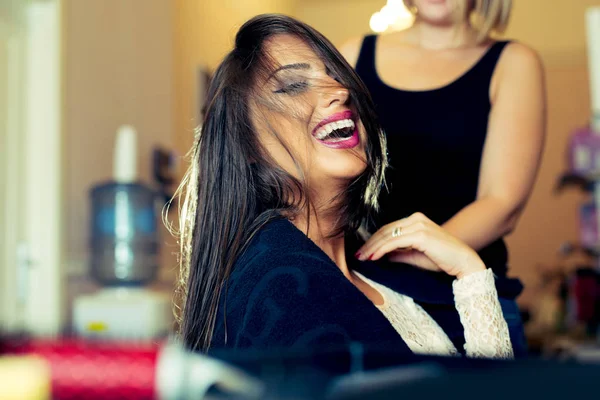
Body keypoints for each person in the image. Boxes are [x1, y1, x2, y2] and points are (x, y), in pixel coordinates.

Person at [174, 14, 513, 359]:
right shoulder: (281, 287)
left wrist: (470, 272)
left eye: (336, 76)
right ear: (246, 144)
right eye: (293, 85)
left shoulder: (378, 278)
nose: (340, 91)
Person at [340, 0, 546, 357]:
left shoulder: (513, 62)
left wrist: (420, 250)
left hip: (466, 296)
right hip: (366, 290)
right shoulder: (352, 54)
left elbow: (502, 202)